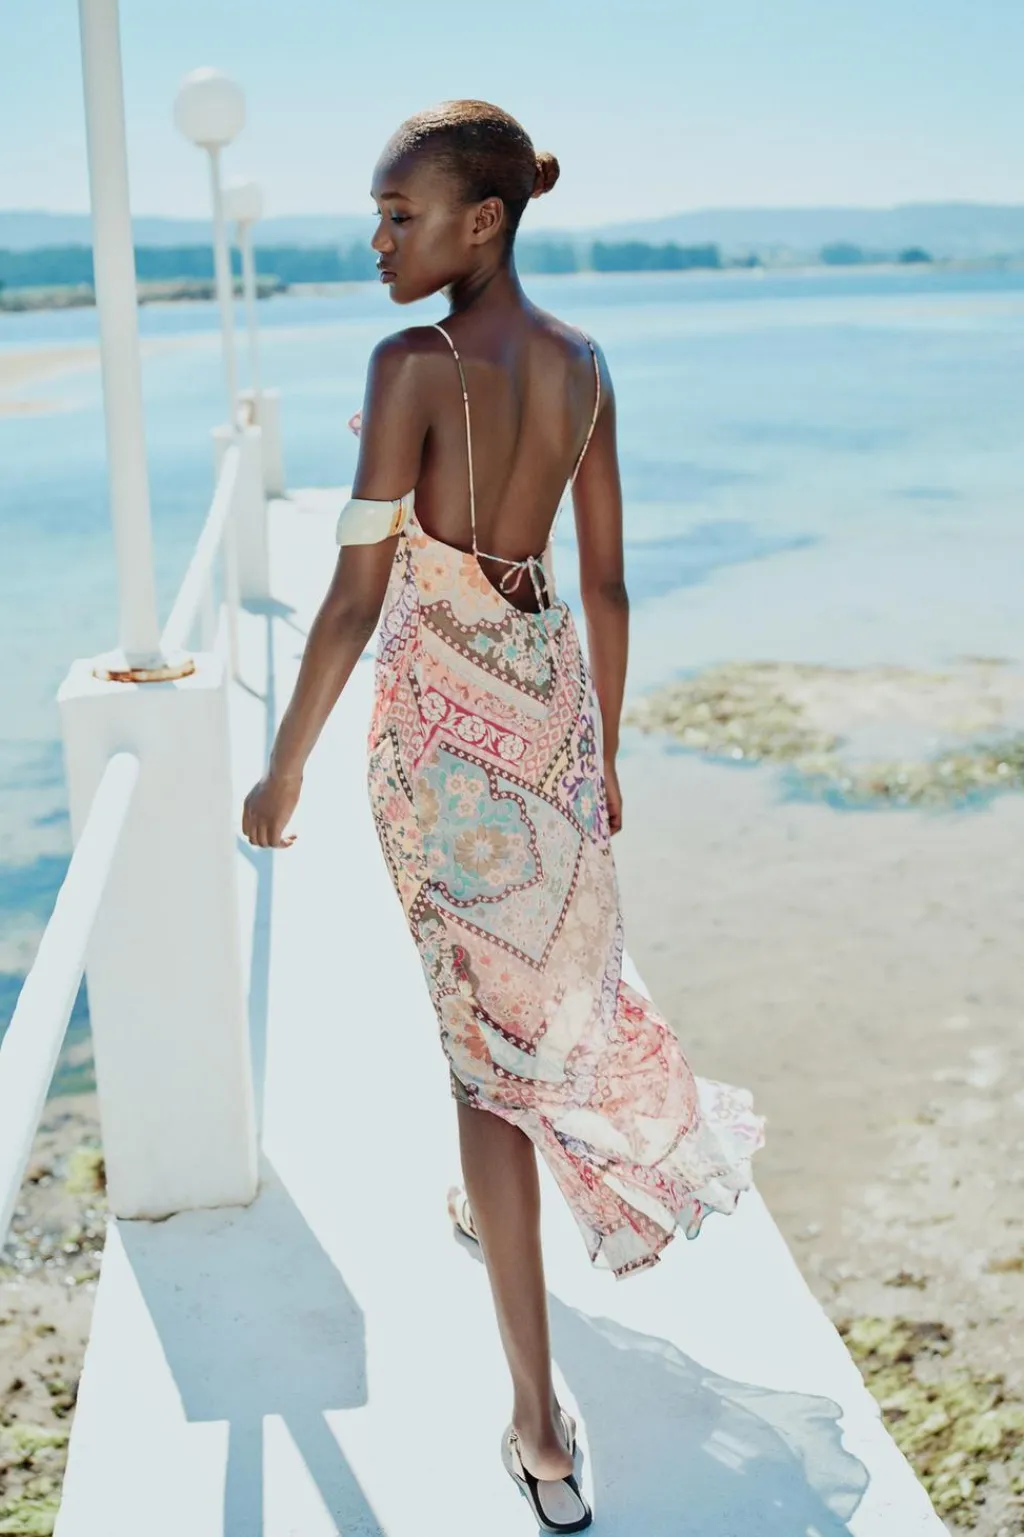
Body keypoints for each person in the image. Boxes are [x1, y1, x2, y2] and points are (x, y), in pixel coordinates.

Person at [242, 99, 766, 1533]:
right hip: (552, 722)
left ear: (482, 219)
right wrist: (607, 754)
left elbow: (355, 597)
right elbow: (607, 586)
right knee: (525, 1005)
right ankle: (493, 1210)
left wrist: (283, 765)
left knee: (479, 1057)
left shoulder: (411, 365)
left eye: (397, 216)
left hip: (438, 742)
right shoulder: (585, 365)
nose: (377, 243)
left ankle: (537, 1425)